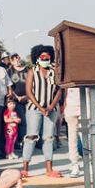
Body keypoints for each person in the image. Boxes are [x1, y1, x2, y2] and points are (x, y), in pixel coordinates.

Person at [22, 45, 63, 178]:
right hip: (34, 109)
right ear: (37, 58)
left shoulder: (55, 71)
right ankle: (25, 168)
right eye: (42, 57)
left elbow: (59, 90)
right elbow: (28, 91)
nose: (45, 59)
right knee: (31, 137)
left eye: (47, 57)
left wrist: (51, 106)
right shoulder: (32, 71)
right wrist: (40, 108)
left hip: (51, 109)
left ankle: (49, 169)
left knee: (49, 138)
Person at [61, 87, 83, 178]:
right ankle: (75, 164)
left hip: (84, 103)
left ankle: (89, 162)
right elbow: (64, 89)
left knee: (86, 136)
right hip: (71, 105)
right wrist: (64, 105)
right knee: (72, 137)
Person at [8, 53, 29, 141]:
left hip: (28, 99)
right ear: (11, 61)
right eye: (14, 58)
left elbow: (32, 85)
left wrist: (27, 96)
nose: (17, 59)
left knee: (29, 120)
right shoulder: (9, 71)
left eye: (18, 57)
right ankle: (21, 140)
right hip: (16, 100)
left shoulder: (27, 70)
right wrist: (17, 97)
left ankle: (30, 139)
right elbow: (8, 86)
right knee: (20, 120)